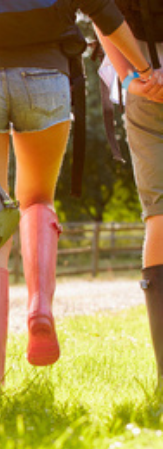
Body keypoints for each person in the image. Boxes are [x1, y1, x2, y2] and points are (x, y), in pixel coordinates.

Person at [0, 0, 163, 393]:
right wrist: (144, 70)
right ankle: (39, 308)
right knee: (36, 200)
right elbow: (102, 9)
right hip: (45, 75)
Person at [96, 0, 163, 391]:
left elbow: (101, 11)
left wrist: (129, 77)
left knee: (158, 216)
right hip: (144, 79)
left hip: (143, 79)